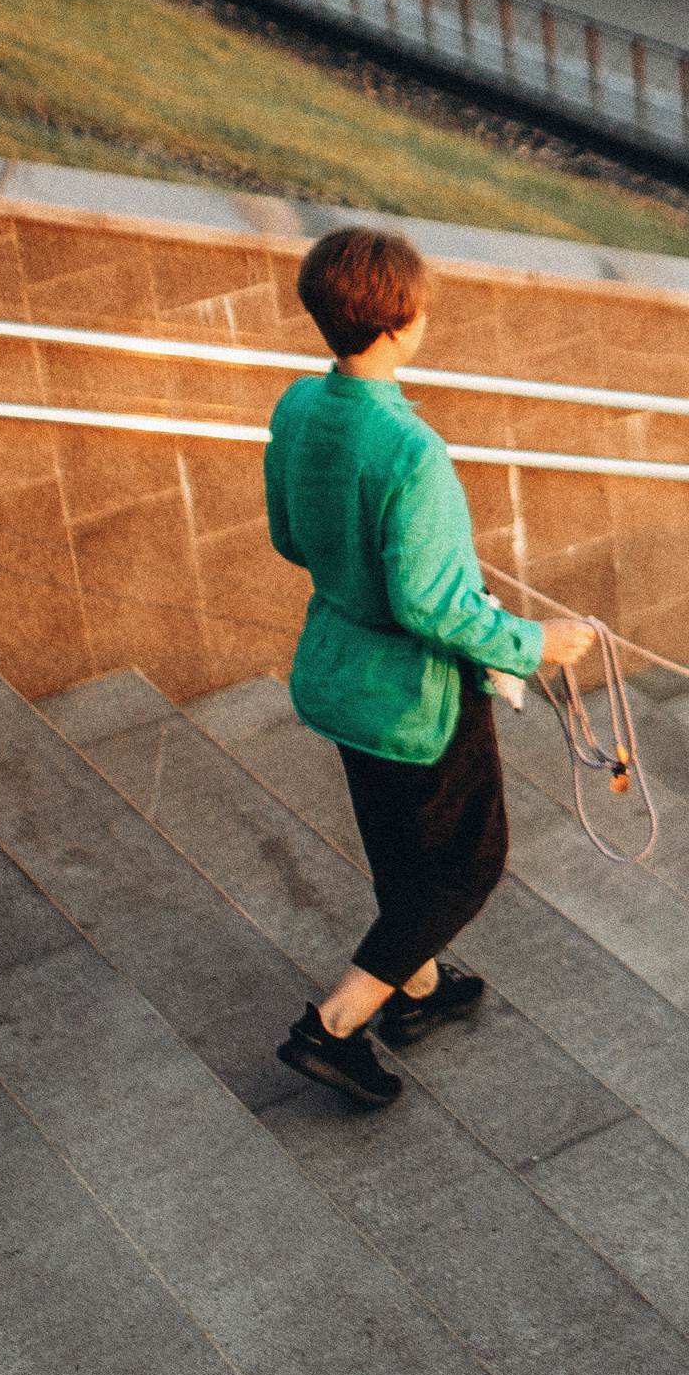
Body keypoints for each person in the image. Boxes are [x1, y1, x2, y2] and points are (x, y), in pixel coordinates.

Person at [265, 227, 591, 1108]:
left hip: (338, 674)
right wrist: (539, 644)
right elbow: (434, 608)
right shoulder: (414, 453)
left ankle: (415, 988)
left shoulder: (299, 407)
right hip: (416, 701)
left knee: (398, 845)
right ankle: (334, 1024)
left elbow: (290, 537)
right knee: (464, 867)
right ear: (403, 321)